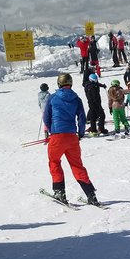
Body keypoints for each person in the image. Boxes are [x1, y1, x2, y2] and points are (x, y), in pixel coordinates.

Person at [42, 73, 99, 205]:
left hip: (57, 137)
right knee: (77, 165)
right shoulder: (76, 98)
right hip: (72, 137)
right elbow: (82, 118)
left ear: (59, 83)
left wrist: (52, 130)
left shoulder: (53, 97)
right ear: (70, 83)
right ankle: (91, 195)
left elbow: (46, 117)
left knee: (54, 162)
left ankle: (60, 192)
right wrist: (80, 133)